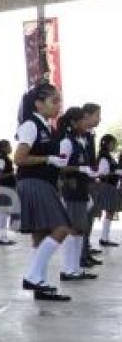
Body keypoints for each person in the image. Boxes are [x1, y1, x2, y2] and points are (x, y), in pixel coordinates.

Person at [12, 83, 72, 301]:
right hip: (33, 183)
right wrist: (48, 158)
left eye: (59, 101)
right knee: (62, 228)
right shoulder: (30, 125)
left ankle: (41, 284)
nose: (58, 106)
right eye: (54, 101)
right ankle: (32, 276)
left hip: (42, 182)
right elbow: (18, 158)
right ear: (38, 104)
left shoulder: (45, 125)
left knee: (41, 235)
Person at [56, 107, 99, 282]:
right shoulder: (67, 142)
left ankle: (76, 268)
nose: (85, 123)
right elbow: (60, 166)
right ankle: (68, 270)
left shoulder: (81, 141)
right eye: (82, 120)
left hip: (81, 189)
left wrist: (90, 173)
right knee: (72, 229)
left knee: (80, 230)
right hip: (71, 190)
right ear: (74, 122)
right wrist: (80, 168)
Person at [80, 103, 102, 266]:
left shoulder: (89, 134)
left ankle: (85, 251)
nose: (99, 118)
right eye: (97, 115)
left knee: (90, 219)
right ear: (86, 115)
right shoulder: (79, 135)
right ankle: (81, 255)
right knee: (82, 221)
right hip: (81, 182)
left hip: (90, 180)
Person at [95, 135, 120, 246]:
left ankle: (105, 237)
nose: (114, 145)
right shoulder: (104, 157)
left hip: (110, 186)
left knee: (110, 212)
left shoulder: (108, 156)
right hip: (107, 186)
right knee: (109, 211)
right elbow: (101, 173)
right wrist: (116, 173)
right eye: (112, 143)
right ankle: (104, 238)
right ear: (107, 144)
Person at [0, 139, 17, 246]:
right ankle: (2, 237)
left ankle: (3, 236)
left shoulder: (3, 157)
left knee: (4, 213)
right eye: (9, 145)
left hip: (6, 187)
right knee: (3, 213)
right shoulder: (2, 158)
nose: (10, 148)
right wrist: (12, 173)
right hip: (4, 187)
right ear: (4, 147)